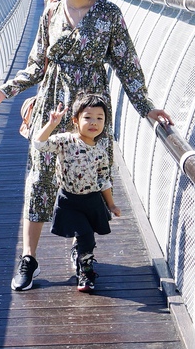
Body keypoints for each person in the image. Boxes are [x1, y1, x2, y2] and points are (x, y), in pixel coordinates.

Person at [0, 0, 172, 292]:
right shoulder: (51, 12)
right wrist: (4, 91)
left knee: (87, 182)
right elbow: (37, 65)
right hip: (54, 105)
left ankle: (84, 258)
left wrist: (146, 106)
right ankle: (29, 259)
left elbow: (127, 65)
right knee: (41, 181)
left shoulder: (109, 13)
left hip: (91, 110)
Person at [34, 93, 120, 292]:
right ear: (75, 120)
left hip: (91, 201)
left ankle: (83, 261)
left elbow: (103, 179)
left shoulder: (100, 151)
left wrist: (111, 204)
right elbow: (39, 144)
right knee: (85, 234)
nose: (94, 123)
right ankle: (86, 273)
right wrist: (52, 124)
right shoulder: (65, 141)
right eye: (88, 117)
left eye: (100, 118)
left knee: (87, 238)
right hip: (69, 200)